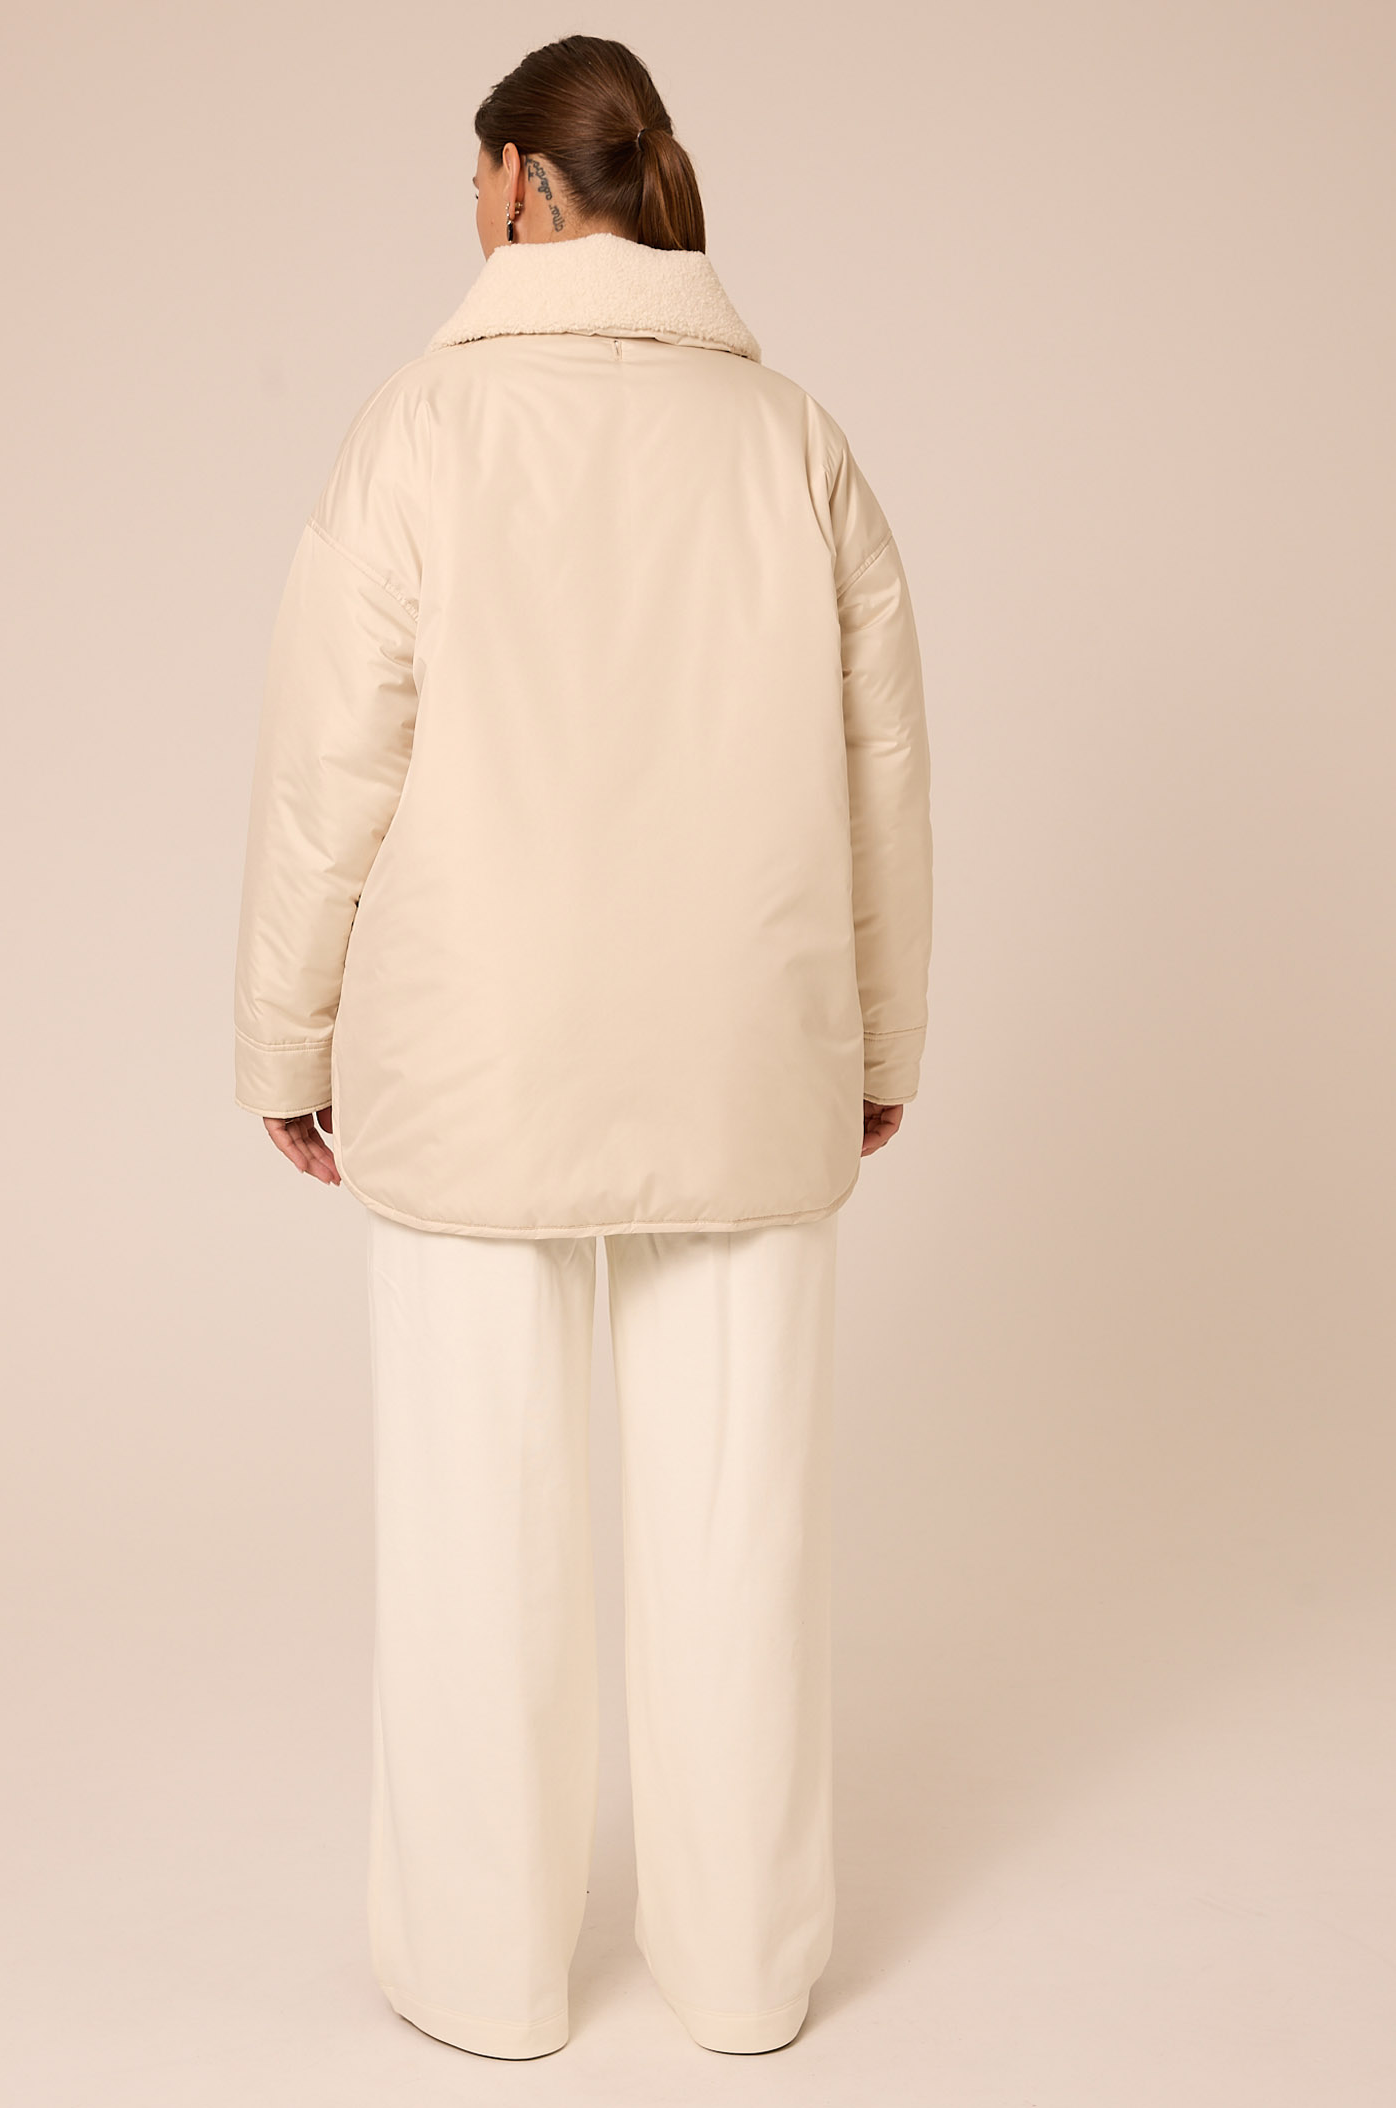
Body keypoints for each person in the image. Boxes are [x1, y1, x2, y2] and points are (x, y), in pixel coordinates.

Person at [232, 33, 932, 2062]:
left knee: (477, 1528)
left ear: (526, 184)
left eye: (470, 181)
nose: (465, 215)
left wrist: (285, 1037)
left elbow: (326, 771)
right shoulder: (792, 441)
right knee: (738, 1528)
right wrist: (879, 1035)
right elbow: (881, 774)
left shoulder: (417, 433)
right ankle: (742, 1973)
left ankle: (483, 1976)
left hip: (476, 1057)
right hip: (744, 1047)